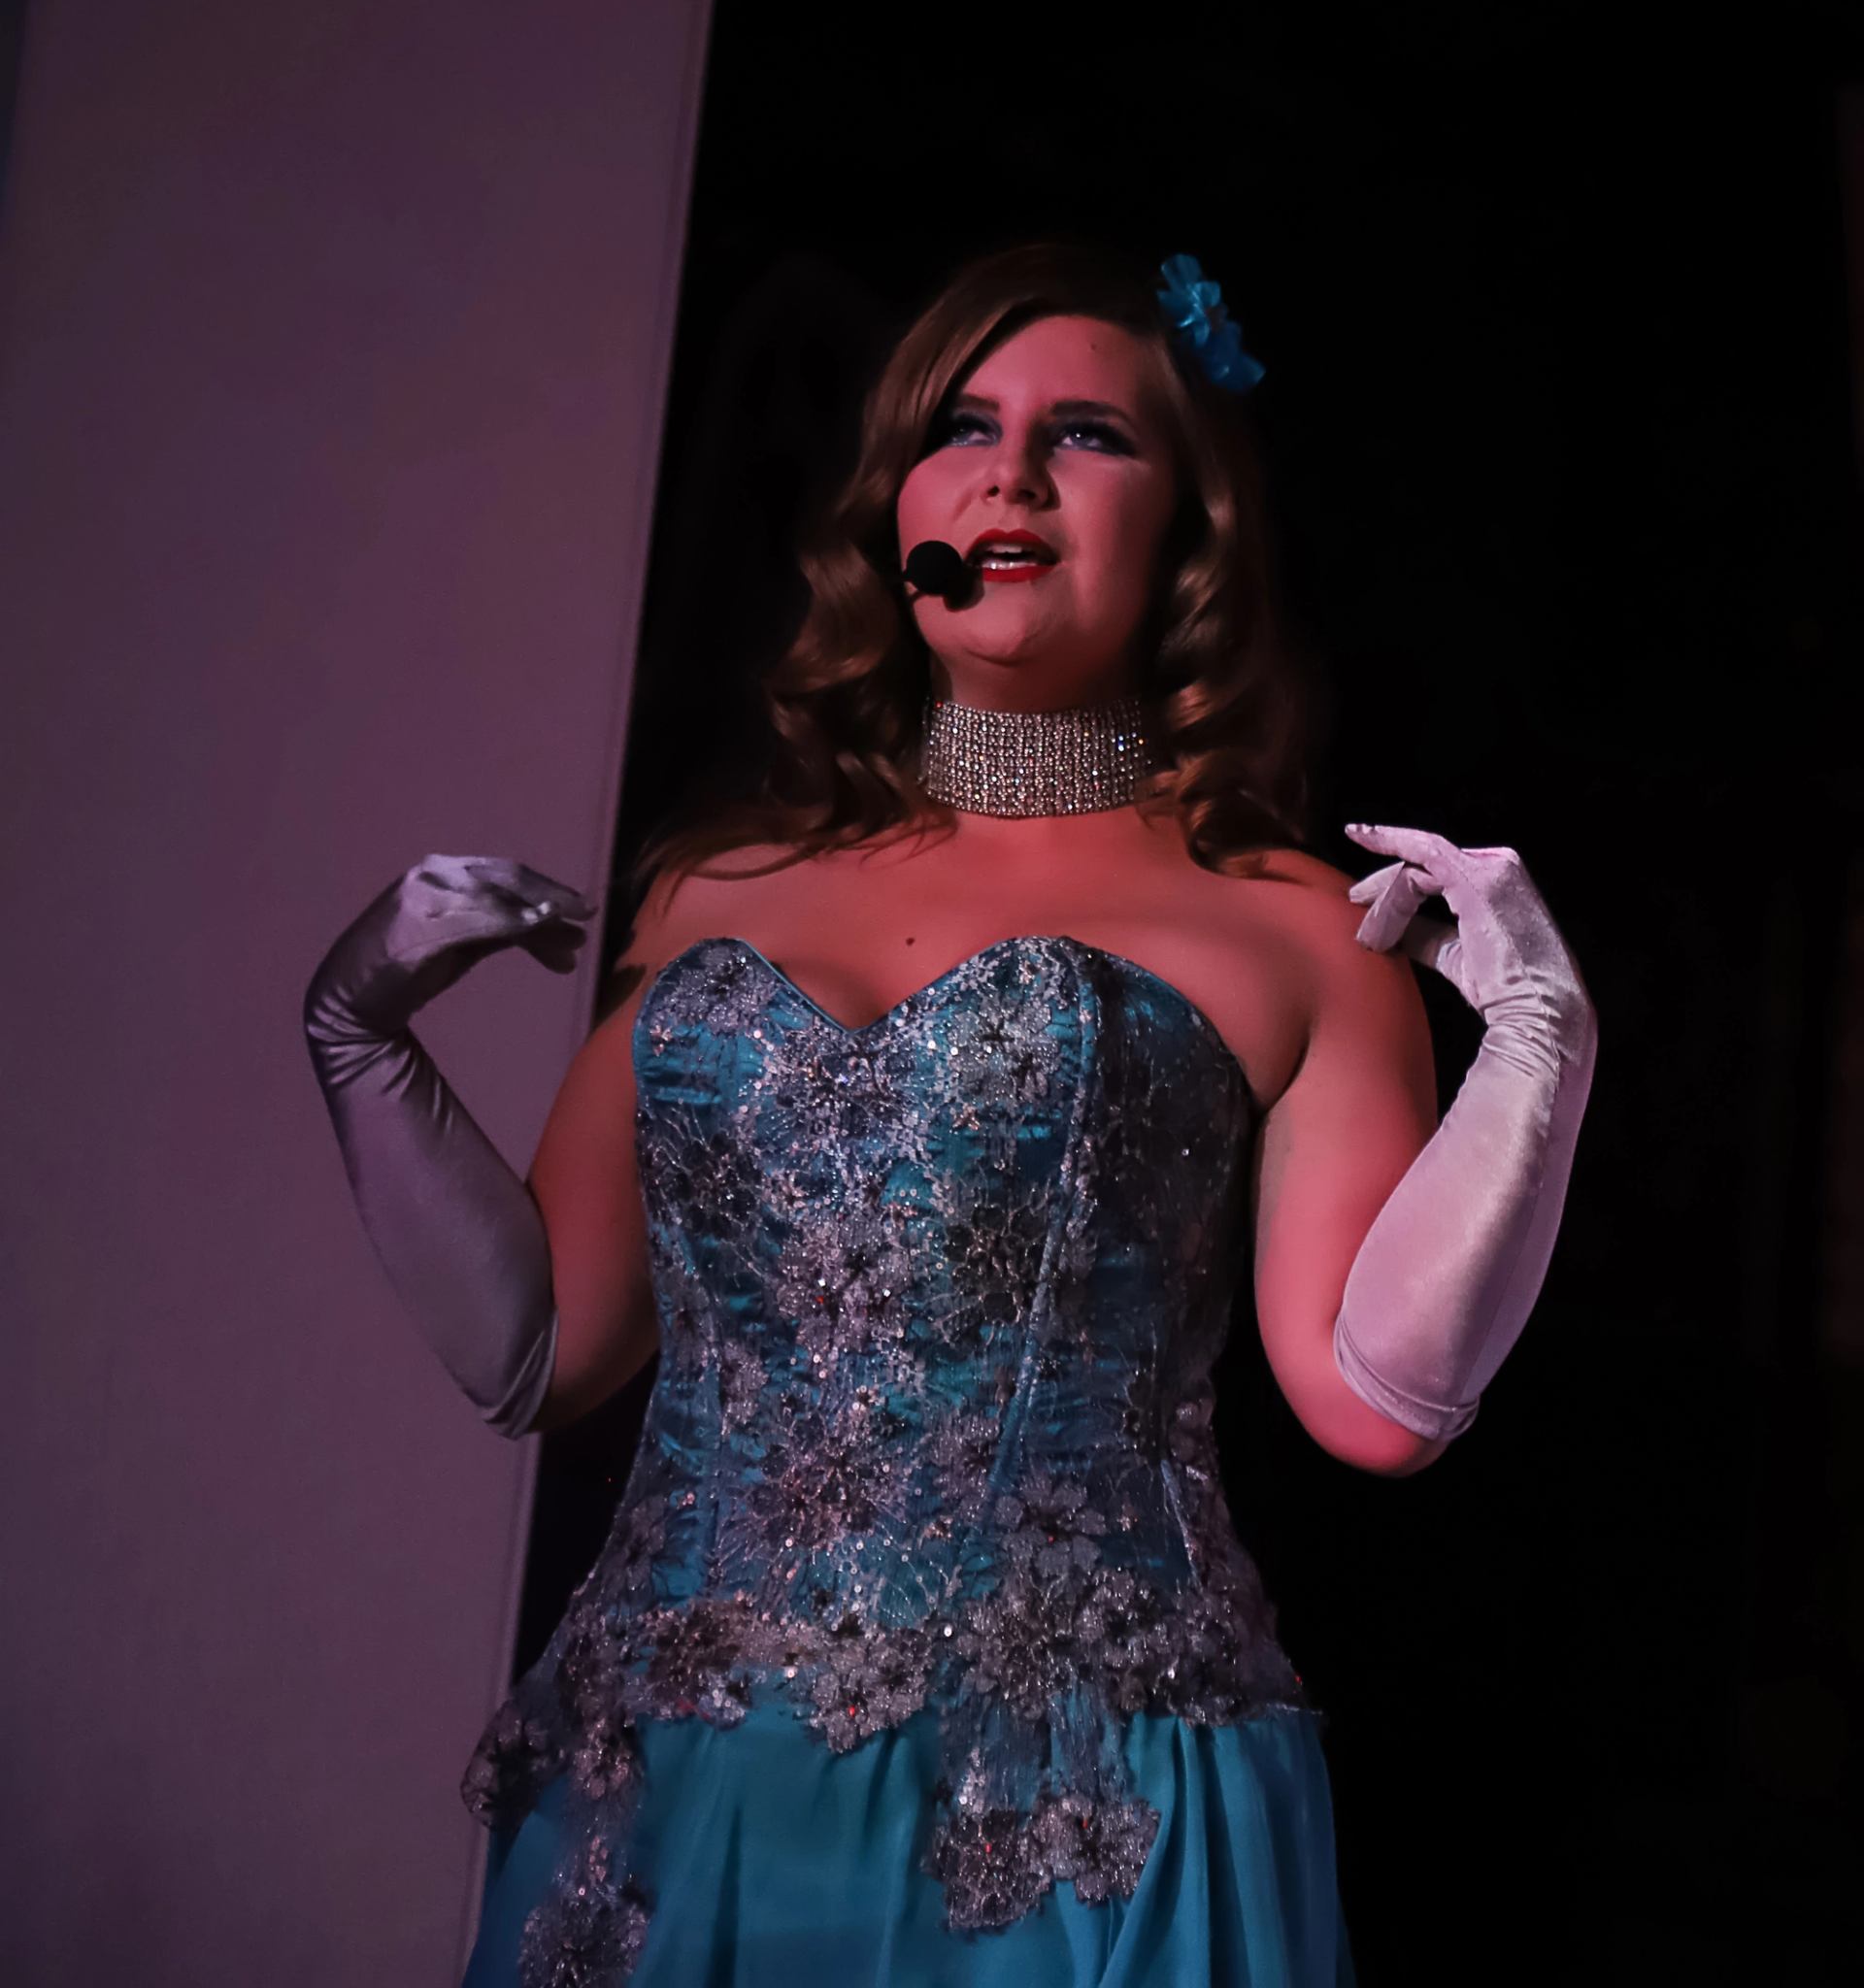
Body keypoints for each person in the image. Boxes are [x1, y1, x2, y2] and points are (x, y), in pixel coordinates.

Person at [302, 238, 1597, 1987]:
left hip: (1087, 1814)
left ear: (1191, 537)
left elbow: (1379, 1405)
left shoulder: (1304, 926)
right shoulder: (717, 894)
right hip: (689, 1802)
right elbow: (543, 1348)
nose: (1010, 470)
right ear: (895, 506)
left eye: (1089, 435)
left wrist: (1537, 1045)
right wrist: (360, 1034)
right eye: (965, 426)